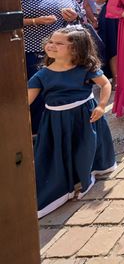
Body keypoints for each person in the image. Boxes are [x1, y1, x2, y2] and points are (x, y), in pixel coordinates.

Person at [28, 26, 116, 218]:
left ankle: (87, 177)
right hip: (56, 121)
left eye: (59, 43)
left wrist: (101, 106)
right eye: (51, 41)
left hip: (84, 116)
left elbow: (105, 84)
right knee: (60, 151)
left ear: (75, 49)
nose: (51, 45)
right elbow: (26, 100)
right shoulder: (42, 75)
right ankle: (62, 185)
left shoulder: (85, 69)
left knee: (84, 148)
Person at [21, 0, 80, 135]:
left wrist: (74, 16)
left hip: (63, 51)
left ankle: (61, 128)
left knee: (61, 90)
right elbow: (7, 19)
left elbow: (77, 14)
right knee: (38, 93)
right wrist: (34, 21)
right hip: (33, 50)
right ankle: (38, 134)